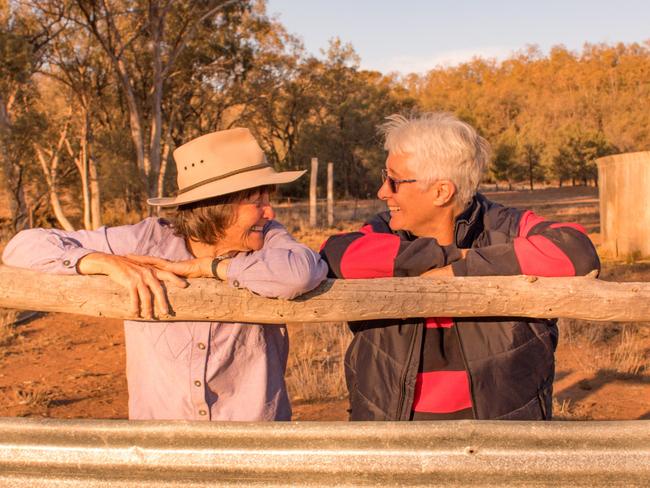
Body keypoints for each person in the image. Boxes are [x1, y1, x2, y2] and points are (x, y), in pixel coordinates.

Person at [2, 127, 328, 421]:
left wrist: (213, 268)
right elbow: (21, 248)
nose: (269, 211)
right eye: (257, 201)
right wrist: (102, 262)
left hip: (252, 452)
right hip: (160, 449)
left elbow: (299, 273)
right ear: (216, 205)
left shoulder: (269, 238)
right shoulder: (147, 240)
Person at [320, 112, 600, 421]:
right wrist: (442, 257)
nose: (382, 192)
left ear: (441, 191)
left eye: (394, 181)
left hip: (501, 443)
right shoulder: (384, 228)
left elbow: (577, 251)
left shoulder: (506, 225)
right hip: (393, 439)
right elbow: (334, 254)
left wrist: (463, 268)